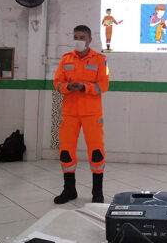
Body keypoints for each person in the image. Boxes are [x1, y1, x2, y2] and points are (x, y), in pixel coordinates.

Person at [53, 25, 109, 204]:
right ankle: (69, 190)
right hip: (69, 113)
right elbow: (57, 82)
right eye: (76, 36)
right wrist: (67, 87)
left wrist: (85, 87)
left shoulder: (101, 60)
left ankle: (97, 193)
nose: (79, 40)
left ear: (90, 40)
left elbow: (104, 85)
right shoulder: (65, 59)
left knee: (96, 153)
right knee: (66, 153)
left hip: (92, 113)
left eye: (82, 37)